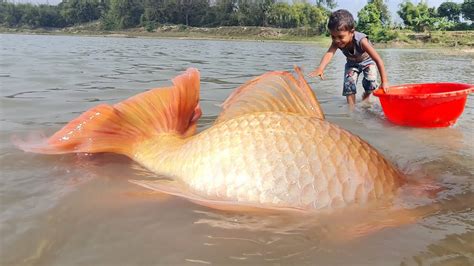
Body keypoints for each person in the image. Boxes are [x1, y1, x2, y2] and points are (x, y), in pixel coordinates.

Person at [309, 9, 389, 106]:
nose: (337, 40)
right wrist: (320, 68)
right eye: (333, 37)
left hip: (367, 61)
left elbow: (378, 60)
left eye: (340, 36)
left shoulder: (362, 41)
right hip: (352, 64)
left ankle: (367, 98)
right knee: (349, 86)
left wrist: (384, 81)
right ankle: (351, 110)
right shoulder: (336, 42)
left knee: (370, 84)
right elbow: (329, 53)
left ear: (351, 32)